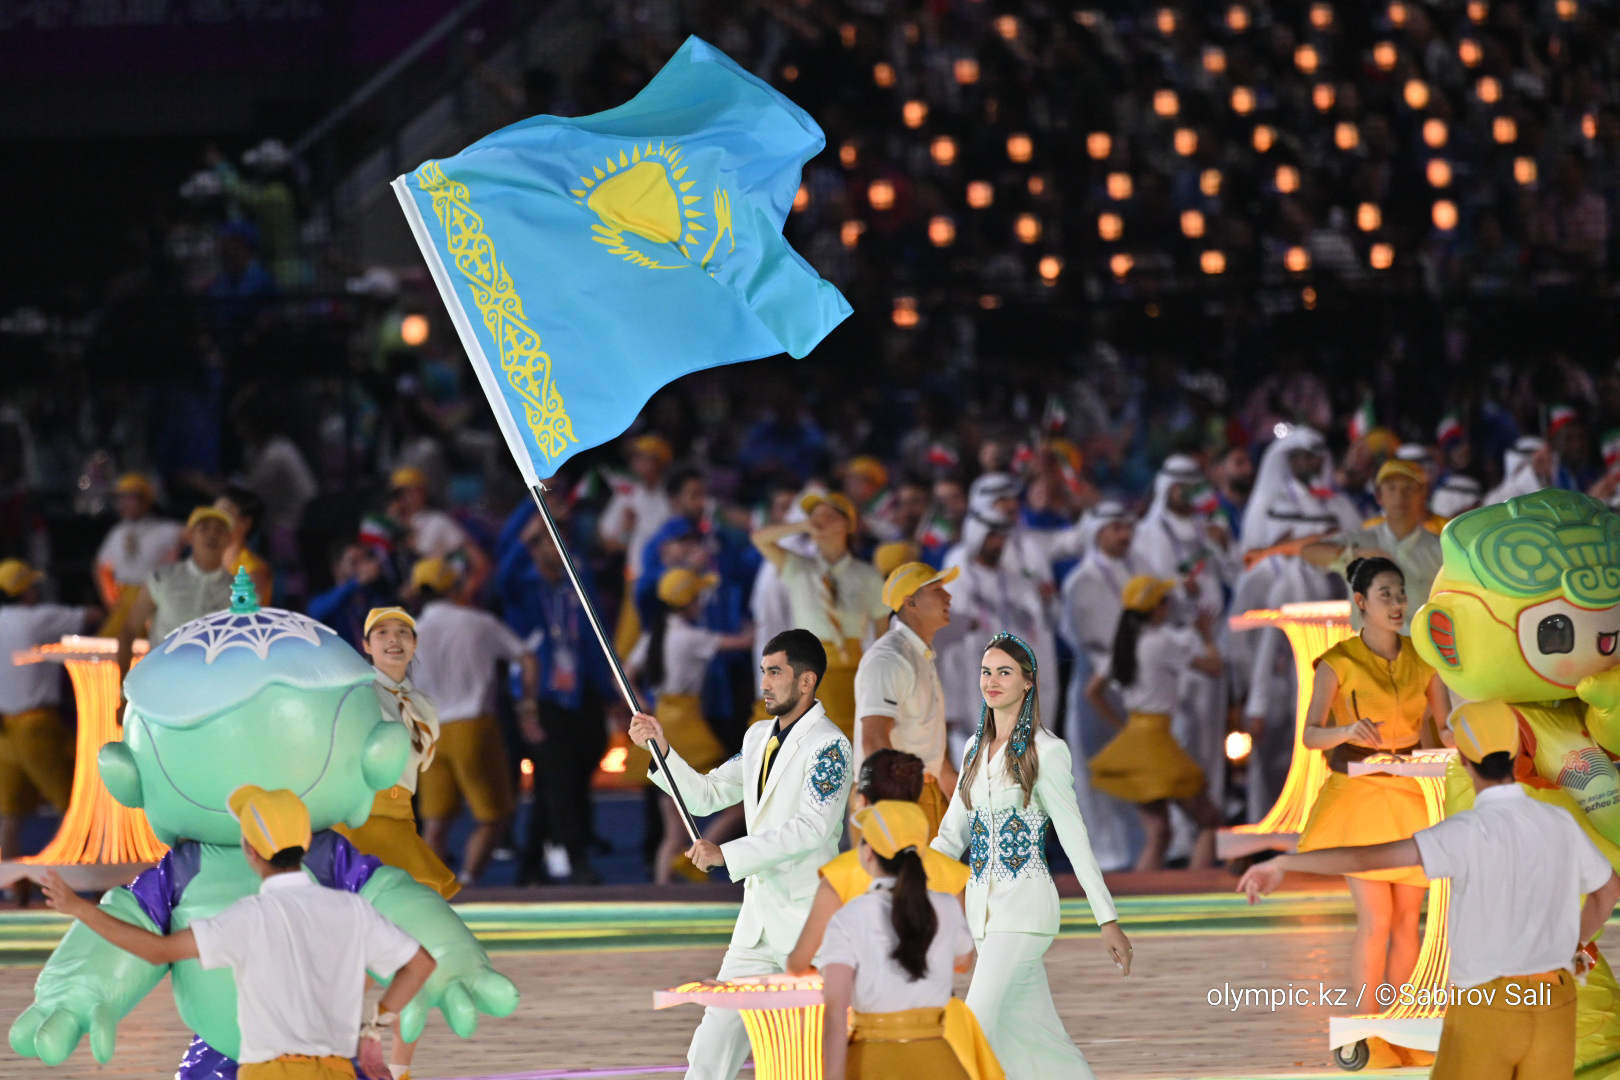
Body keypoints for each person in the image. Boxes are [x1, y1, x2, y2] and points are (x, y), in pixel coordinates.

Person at [1240, 701, 1620, 1080]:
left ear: (1463, 760)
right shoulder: (1558, 821)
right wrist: (1572, 946)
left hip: (1489, 1003)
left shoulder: (1466, 831)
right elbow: (1608, 890)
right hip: (1555, 999)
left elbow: (1364, 858)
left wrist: (1283, 864)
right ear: (1519, 752)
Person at [35, 785, 438, 1080]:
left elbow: (157, 951)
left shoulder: (248, 918)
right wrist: (373, 1030)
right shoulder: (351, 909)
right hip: (337, 1071)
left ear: (250, 849)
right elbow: (419, 965)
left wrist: (79, 908)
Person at [628, 629, 852, 1080]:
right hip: (756, 927)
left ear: (806, 680)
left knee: (815, 1055)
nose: (764, 683)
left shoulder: (831, 746)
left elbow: (812, 828)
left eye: (775, 673)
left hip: (808, 925)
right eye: (763, 671)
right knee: (711, 1048)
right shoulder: (756, 738)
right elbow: (706, 794)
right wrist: (661, 750)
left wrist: (727, 856)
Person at [933, 632, 1131, 1080]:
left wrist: (1107, 919)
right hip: (982, 916)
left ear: (1028, 682)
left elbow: (1075, 839)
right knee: (1033, 1038)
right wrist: (901, 879)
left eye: (1004, 672)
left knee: (973, 1028)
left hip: (1024, 911)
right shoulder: (972, 749)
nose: (992, 681)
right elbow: (949, 837)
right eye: (986, 672)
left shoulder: (1048, 751)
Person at [1291, 557, 1450, 1064]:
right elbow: (1311, 734)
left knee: (1408, 920)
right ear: (1360, 602)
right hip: (1359, 797)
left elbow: (1445, 728)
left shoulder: (1424, 659)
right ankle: (1363, 1028)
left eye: (1400, 593)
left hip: (1412, 794)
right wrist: (1346, 731)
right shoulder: (1339, 661)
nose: (1397, 604)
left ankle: (1402, 1028)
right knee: (1377, 918)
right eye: (1386, 595)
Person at [332, 606, 453, 1080]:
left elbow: (419, 766)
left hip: (400, 825)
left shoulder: (424, 706)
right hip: (361, 823)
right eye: (381, 632)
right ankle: (342, 1052)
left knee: (418, 954)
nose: (393, 639)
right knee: (358, 957)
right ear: (365, 645)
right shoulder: (354, 695)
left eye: (403, 632)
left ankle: (396, 1067)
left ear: (415, 644)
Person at [819, 801, 978, 1080]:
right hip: (939, 1061)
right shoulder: (945, 905)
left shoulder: (849, 916)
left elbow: (835, 1012)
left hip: (872, 1059)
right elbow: (964, 960)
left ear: (867, 853)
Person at [497, 512, 615, 886]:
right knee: (560, 780)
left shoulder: (576, 586)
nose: (559, 547)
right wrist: (527, 525)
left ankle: (530, 864)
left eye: (562, 540)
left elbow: (595, 636)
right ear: (533, 549)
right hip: (541, 697)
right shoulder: (522, 586)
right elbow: (502, 576)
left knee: (564, 778)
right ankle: (576, 859)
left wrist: (608, 690)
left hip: (581, 693)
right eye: (549, 541)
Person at [409, 557, 539, 886]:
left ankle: (436, 891)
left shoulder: (410, 633)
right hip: (473, 727)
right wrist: (527, 708)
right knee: (494, 815)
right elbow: (527, 658)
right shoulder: (478, 623)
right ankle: (467, 881)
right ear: (455, 587)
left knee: (435, 822)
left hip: (429, 732)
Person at [787, 749, 969, 976]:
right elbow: (961, 962)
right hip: (937, 1000)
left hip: (862, 998)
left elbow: (797, 964)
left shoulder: (839, 874)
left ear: (861, 800)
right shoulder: (952, 874)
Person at [1085, 577, 1223, 871]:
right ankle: (1196, 890)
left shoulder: (1124, 645)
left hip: (1136, 740)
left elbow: (1092, 692)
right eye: (1165, 601)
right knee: (1210, 821)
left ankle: (1142, 895)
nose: (1169, 606)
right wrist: (1207, 636)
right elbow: (1214, 668)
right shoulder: (1161, 643)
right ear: (1156, 608)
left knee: (1159, 833)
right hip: (1158, 743)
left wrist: (1122, 727)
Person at [628, 568, 753, 883]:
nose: (701, 603)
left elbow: (625, 675)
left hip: (661, 722)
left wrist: (641, 705)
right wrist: (754, 624)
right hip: (688, 728)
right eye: (697, 597)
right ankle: (698, 853)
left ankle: (662, 890)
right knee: (738, 805)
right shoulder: (691, 637)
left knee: (673, 828)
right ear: (687, 603)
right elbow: (744, 643)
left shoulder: (653, 635)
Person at [751, 494, 889, 741]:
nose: (819, 522)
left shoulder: (867, 575)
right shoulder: (798, 567)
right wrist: (800, 526)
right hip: (806, 668)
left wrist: (878, 676)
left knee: (847, 737)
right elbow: (759, 538)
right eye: (814, 517)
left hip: (850, 668)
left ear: (847, 525)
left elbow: (882, 633)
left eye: (828, 516)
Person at [1056, 500, 1144, 870]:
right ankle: (1104, 860)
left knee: (1136, 775)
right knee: (1097, 777)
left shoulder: (1139, 568)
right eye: (1116, 529)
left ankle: (1139, 855)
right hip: (1097, 689)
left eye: (1127, 528)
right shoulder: (1081, 581)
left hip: (1137, 688)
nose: (1125, 535)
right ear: (1097, 533)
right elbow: (1081, 637)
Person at [0, 561, 96, 860]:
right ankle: (65, 872)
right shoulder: (38, 619)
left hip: (4, 731)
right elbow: (91, 616)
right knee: (74, 804)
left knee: (11, 814)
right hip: (38, 727)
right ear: (25, 591)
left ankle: (10, 880)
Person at [853, 561, 957, 836]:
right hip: (900, 797)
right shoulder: (889, 657)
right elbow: (874, 737)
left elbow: (921, 730)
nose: (948, 596)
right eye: (937, 589)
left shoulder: (918, 655)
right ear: (910, 603)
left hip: (921, 791)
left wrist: (946, 776)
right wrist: (894, 809)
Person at [1297, 460, 1443, 632]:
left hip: (1418, 646)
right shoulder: (1362, 540)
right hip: (1367, 647)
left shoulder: (1441, 549)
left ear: (1423, 493)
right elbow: (1309, 551)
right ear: (1379, 496)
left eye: (1408, 488)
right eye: (1391, 488)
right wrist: (1354, 554)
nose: (1399, 496)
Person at [117, 505, 235, 672]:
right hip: (162, 677)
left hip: (212, 682)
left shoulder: (238, 590)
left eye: (220, 530)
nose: (212, 534)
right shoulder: (162, 579)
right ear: (189, 536)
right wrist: (123, 681)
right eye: (204, 528)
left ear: (230, 539)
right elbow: (128, 630)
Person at [92, 472, 182, 637]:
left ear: (146, 500)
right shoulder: (117, 532)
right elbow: (101, 567)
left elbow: (192, 537)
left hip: (155, 599)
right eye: (121, 498)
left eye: (129, 498)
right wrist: (111, 600)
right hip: (125, 600)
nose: (123, 503)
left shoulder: (166, 529)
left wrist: (177, 554)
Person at [307, 542, 396, 651]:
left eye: (364, 560)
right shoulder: (329, 600)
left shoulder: (372, 595)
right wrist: (356, 582)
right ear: (337, 568)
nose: (362, 567)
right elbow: (315, 611)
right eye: (354, 562)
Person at [216, 484, 273, 606]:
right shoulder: (208, 559)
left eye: (224, 513)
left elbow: (246, 612)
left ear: (246, 523)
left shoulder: (253, 569)